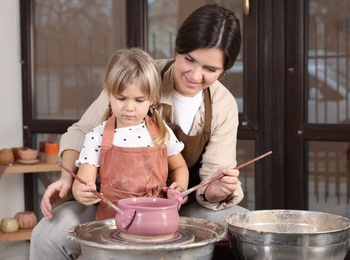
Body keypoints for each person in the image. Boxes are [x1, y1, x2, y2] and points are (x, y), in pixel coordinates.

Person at [31, 4, 247, 259]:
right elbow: (81, 131)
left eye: (210, 69)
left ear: (224, 70)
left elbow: (210, 181)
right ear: (177, 48)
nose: (194, 75)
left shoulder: (222, 105)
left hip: (177, 205)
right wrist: (69, 180)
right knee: (47, 236)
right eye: (189, 59)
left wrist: (216, 189)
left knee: (242, 228)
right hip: (111, 204)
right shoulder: (137, 74)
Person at [72, 48, 188, 220]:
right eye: (121, 98)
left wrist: (180, 187)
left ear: (152, 100)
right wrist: (81, 192)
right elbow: (83, 180)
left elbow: (179, 166)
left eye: (139, 100)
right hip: (113, 221)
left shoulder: (160, 132)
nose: (129, 107)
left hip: (157, 218)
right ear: (109, 94)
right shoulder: (97, 137)